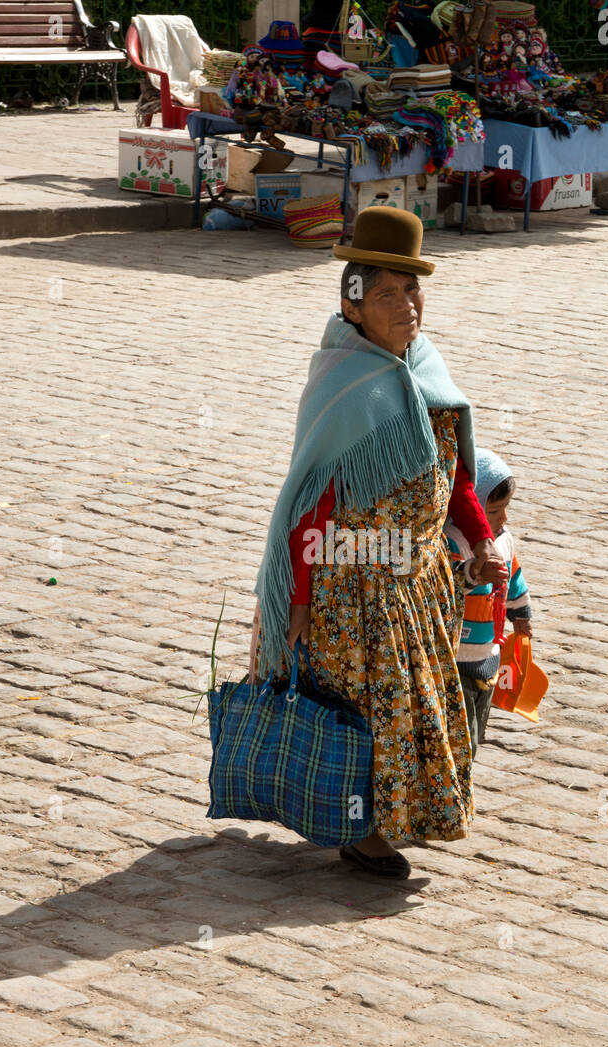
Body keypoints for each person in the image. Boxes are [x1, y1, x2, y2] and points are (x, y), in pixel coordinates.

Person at [252, 207, 506, 879]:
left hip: (417, 582)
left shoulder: (424, 368)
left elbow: (450, 469)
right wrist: (298, 601)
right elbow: (312, 507)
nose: (406, 306)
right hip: (353, 586)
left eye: (413, 290)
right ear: (353, 303)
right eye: (387, 294)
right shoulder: (344, 384)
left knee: (415, 708)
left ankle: (390, 818)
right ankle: (364, 831)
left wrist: (478, 534)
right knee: (369, 713)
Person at [445, 449, 533, 757]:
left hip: (489, 656)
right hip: (456, 661)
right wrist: (475, 574)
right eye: (494, 511)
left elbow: (515, 578)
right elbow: (449, 584)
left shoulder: (504, 540)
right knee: (461, 739)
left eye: (505, 509)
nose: (503, 518)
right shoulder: (453, 541)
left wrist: (520, 615)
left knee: (477, 728)